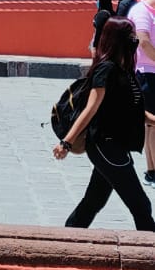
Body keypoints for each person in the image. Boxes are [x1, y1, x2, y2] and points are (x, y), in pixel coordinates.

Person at [54, 17, 155, 231]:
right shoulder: (106, 70)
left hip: (115, 145)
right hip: (105, 145)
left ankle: (69, 236)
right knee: (141, 205)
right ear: (118, 40)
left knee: (93, 202)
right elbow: (91, 109)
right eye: (130, 35)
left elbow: (133, 109)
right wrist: (66, 143)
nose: (135, 39)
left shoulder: (123, 69)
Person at [128, 0, 155, 185]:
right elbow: (144, 42)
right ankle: (152, 170)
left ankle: (152, 170)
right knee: (152, 125)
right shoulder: (141, 11)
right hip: (147, 74)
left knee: (151, 126)